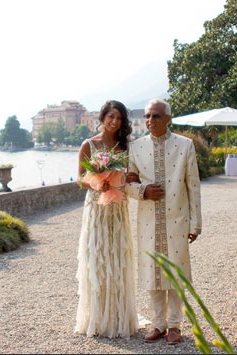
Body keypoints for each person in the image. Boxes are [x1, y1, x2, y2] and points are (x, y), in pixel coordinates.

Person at [125, 98, 202, 345]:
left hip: (176, 219)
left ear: (168, 118)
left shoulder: (185, 146)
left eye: (156, 116)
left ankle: (175, 325)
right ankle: (158, 323)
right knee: (152, 273)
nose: (150, 121)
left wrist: (195, 223)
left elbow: (193, 186)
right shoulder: (136, 147)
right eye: (147, 116)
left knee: (175, 273)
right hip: (148, 219)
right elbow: (127, 183)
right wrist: (143, 191)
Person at [74, 100, 139, 338]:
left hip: (118, 209)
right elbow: (79, 178)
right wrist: (95, 181)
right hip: (97, 210)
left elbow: (132, 175)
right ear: (102, 118)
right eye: (111, 117)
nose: (115, 122)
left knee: (118, 259)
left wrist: (127, 176)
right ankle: (97, 317)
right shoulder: (89, 144)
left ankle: (119, 317)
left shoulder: (125, 146)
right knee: (98, 260)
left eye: (119, 118)